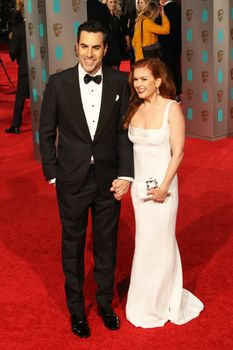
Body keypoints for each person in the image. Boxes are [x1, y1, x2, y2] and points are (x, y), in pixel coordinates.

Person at [39, 20, 134, 338]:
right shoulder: (58, 82)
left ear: (105, 49)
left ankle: (105, 304)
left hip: (108, 179)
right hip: (71, 180)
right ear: (76, 46)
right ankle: (77, 310)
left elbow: (124, 132)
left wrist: (126, 173)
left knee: (107, 244)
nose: (90, 53)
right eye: (84, 46)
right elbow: (47, 130)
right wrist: (53, 173)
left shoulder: (121, 81)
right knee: (73, 245)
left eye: (96, 47)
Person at [123, 58, 204, 327]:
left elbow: (178, 152)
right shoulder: (133, 108)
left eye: (145, 79)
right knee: (145, 243)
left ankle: (162, 300)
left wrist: (164, 187)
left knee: (161, 242)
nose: (139, 84)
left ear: (158, 81)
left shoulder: (172, 109)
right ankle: (144, 300)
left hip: (164, 188)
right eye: (136, 79)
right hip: (139, 189)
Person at [5, 0, 29, 134]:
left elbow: (13, 51)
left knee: (20, 97)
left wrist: (16, 57)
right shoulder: (41, 27)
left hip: (25, 68)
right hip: (41, 67)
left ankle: (16, 125)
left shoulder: (18, 29)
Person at [157, 0, 182, 102]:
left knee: (168, 70)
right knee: (176, 68)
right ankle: (177, 93)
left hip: (166, 45)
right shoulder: (179, 8)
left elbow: (161, 28)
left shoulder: (164, 10)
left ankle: (170, 93)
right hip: (177, 44)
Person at [105, 0, 130, 68]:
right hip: (109, 42)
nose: (113, 4)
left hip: (119, 41)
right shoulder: (103, 15)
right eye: (111, 2)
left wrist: (128, 41)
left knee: (123, 64)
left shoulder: (119, 14)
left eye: (114, 2)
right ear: (106, 3)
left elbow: (125, 28)